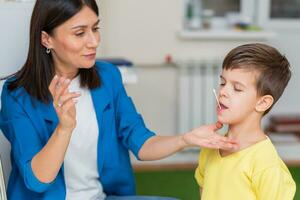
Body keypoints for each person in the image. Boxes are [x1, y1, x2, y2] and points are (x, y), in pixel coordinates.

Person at [0, 0, 237, 200]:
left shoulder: (108, 77)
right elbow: (37, 181)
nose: (93, 41)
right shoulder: (17, 94)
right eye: (80, 33)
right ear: (46, 39)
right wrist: (65, 128)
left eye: (96, 28)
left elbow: (141, 143)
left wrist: (186, 139)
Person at [194, 43, 296, 200]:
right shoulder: (211, 146)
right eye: (223, 83)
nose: (222, 92)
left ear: (263, 103)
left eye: (237, 88)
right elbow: (204, 189)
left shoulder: (266, 165)